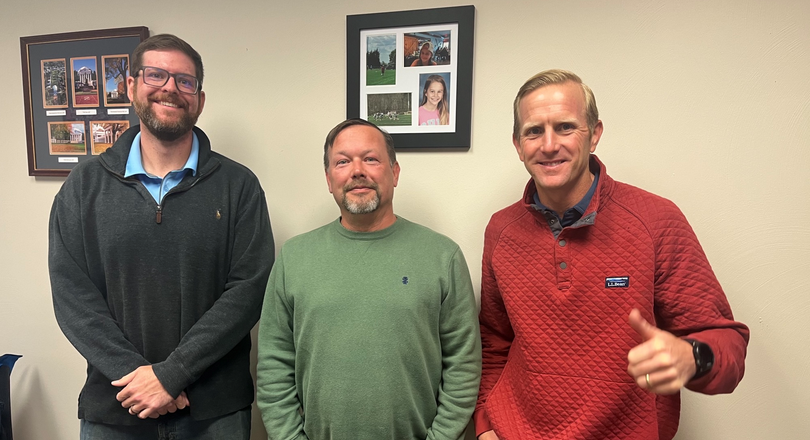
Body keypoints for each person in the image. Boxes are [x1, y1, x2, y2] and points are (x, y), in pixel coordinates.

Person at [475, 69, 749, 440]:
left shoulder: (656, 220)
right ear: (518, 144)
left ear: (594, 134)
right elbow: (494, 341)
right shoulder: (501, 229)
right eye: (534, 131)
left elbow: (727, 344)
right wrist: (485, 426)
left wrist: (692, 356)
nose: (549, 145)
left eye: (565, 127)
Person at [48, 34, 274, 439]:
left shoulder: (238, 187)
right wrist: (137, 377)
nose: (170, 88)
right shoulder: (84, 186)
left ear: (199, 100)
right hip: (117, 404)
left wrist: (172, 375)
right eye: (156, 75)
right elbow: (73, 296)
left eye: (185, 81)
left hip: (214, 412)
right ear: (131, 86)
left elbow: (249, 290)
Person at [257, 118, 480, 440]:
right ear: (329, 179)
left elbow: (463, 366)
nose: (357, 171)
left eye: (371, 158)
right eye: (342, 162)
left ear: (395, 172)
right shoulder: (293, 258)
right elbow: (273, 367)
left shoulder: (442, 256)